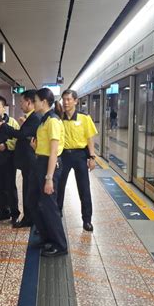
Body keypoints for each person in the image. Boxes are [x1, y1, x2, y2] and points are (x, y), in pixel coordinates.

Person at [0, 90, 41, 228]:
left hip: (30, 161)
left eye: (21, 102)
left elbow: (21, 134)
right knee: (27, 189)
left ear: (29, 102)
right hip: (26, 161)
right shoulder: (30, 118)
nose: (20, 104)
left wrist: (3, 126)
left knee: (28, 191)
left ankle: (29, 219)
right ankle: (28, 217)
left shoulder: (35, 117)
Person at [31, 88, 68, 257]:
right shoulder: (44, 120)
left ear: (44, 102)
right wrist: (35, 147)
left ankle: (60, 245)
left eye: (36, 101)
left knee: (49, 206)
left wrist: (49, 179)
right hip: (41, 161)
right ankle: (48, 238)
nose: (34, 104)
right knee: (37, 203)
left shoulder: (52, 121)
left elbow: (54, 151)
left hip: (49, 165)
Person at [57, 90, 98, 232]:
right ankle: (57, 215)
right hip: (63, 156)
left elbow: (89, 138)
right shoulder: (59, 118)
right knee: (59, 187)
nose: (66, 102)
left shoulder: (84, 118)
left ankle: (87, 220)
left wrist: (92, 157)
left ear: (75, 101)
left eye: (68, 99)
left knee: (84, 188)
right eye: (64, 100)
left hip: (80, 155)